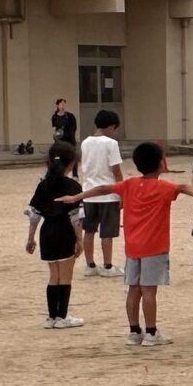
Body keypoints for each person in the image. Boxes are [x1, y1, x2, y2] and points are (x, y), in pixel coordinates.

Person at [60, 140, 193, 347]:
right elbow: (183, 187)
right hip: (154, 248)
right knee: (149, 291)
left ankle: (134, 331)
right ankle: (152, 333)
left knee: (133, 290)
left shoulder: (129, 185)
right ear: (160, 164)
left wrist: (77, 197)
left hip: (133, 247)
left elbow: (103, 189)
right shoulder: (163, 187)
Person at [28, 141, 85, 329]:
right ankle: (62, 316)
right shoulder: (73, 186)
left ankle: (51, 317)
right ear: (71, 164)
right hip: (64, 232)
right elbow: (75, 217)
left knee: (53, 276)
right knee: (65, 276)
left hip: (47, 232)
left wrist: (31, 238)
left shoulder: (43, 185)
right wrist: (80, 240)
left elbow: (34, 214)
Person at [78, 109, 126, 273]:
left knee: (89, 230)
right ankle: (107, 265)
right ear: (112, 126)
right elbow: (116, 170)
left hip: (89, 192)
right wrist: (122, 192)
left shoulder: (85, 142)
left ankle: (90, 264)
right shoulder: (111, 144)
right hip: (108, 193)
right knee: (107, 232)